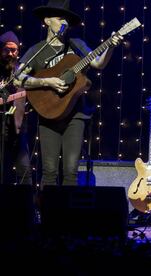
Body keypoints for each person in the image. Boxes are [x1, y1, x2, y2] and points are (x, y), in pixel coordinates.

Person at [14, 0, 123, 188]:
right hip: (48, 114)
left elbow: (98, 63)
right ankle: (48, 215)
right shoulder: (37, 50)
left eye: (66, 19)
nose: (64, 22)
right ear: (47, 21)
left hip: (75, 114)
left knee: (71, 171)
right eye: (59, 18)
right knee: (49, 171)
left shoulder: (77, 45)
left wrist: (111, 46)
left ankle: (67, 216)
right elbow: (17, 78)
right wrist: (48, 82)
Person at [0, 30, 32, 185]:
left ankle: (26, 208)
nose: (11, 54)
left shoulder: (21, 72)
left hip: (18, 131)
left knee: (25, 172)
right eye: (7, 50)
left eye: (14, 50)